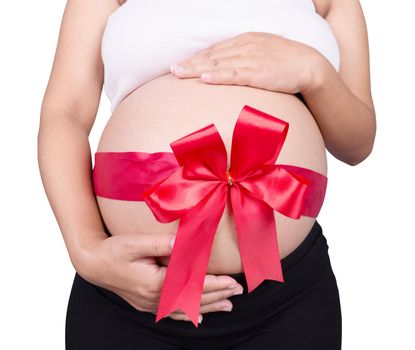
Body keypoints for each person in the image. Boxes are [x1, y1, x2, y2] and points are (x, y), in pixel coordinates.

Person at [37, 0, 376, 349]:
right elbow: (66, 115)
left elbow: (357, 143)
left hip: (285, 300)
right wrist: (87, 250)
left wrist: (315, 72)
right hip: (126, 290)